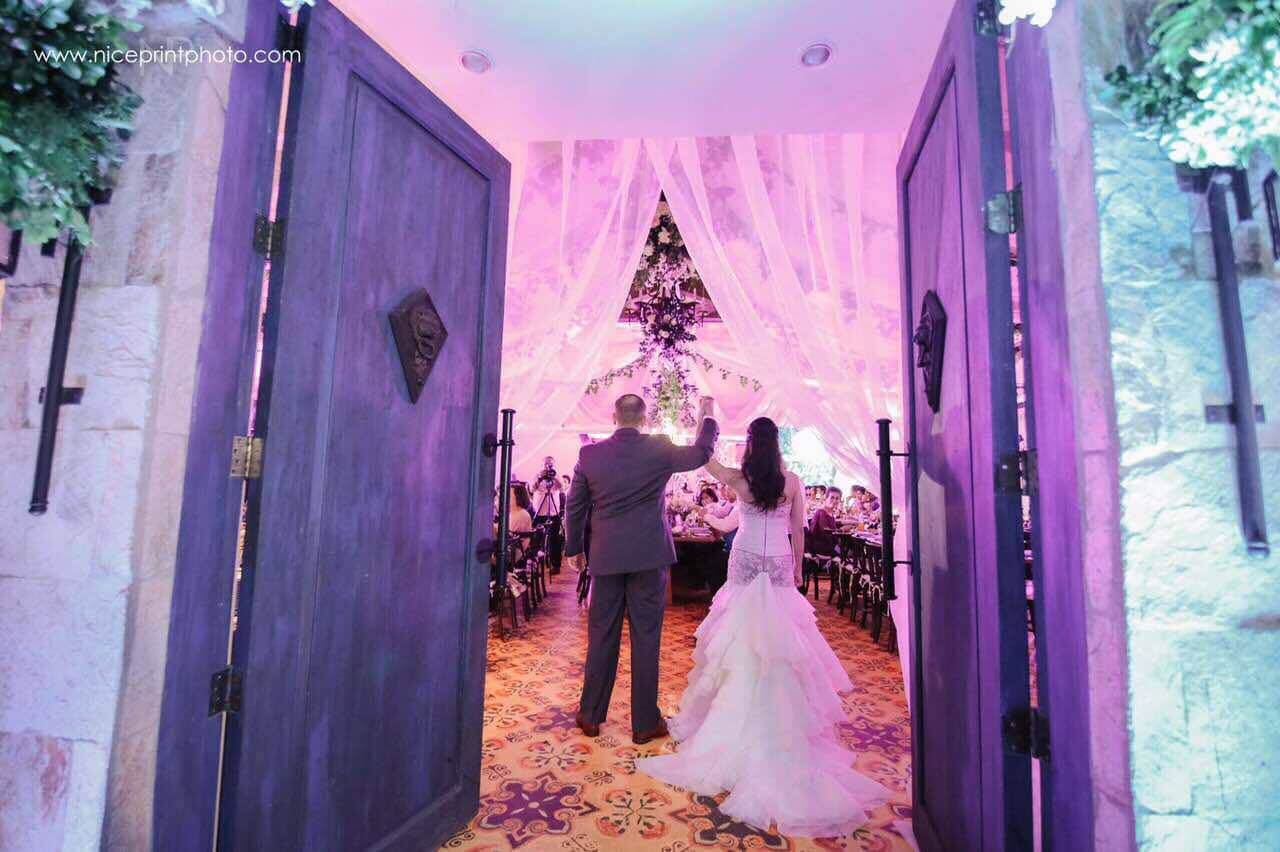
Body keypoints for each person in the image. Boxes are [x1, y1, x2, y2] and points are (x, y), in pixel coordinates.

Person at [636, 417, 888, 836]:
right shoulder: (792, 482)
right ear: (777, 444)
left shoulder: (739, 479)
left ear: (752, 444)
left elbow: (706, 462)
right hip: (779, 564)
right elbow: (797, 530)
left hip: (746, 562)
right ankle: (781, 726)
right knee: (783, 643)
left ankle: (735, 722)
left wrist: (707, 422)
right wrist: (798, 569)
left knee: (739, 641)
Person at [563, 394, 719, 745]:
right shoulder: (659, 448)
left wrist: (574, 549)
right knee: (646, 638)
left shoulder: (590, 455)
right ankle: (645, 723)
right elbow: (700, 453)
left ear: (613, 416)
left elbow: (574, 506)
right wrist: (708, 416)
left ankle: (590, 715)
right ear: (644, 419)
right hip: (649, 557)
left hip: (606, 558)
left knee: (601, 636)